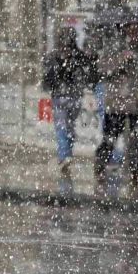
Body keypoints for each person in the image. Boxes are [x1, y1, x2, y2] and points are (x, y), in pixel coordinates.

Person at [95, 19, 138, 184]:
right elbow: (102, 68)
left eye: (137, 27)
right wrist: (120, 61)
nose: (134, 31)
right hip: (117, 103)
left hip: (137, 103)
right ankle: (101, 167)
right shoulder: (115, 45)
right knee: (110, 138)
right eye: (131, 27)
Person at [42, 27, 96, 173]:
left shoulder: (61, 56)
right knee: (65, 127)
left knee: (65, 127)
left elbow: (47, 78)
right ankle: (65, 155)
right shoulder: (71, 56)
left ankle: (65, 155)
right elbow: (48, 78)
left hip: (66, 96)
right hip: (67, 96)